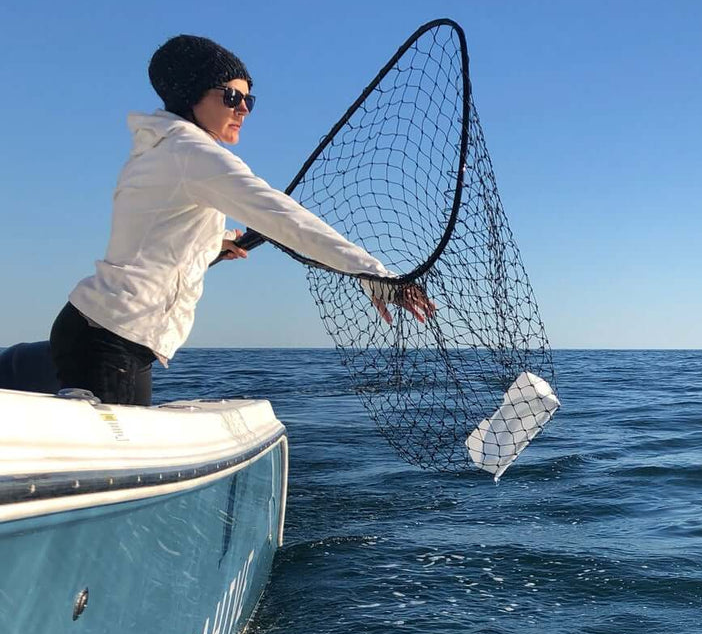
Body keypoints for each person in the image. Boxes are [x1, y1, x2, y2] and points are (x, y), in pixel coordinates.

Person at [49, 34, 433, 406]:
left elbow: (155, 229)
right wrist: (376, 275)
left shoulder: (162, 149)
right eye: (231, 96)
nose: (243, 109)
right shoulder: (192, 153)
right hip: (110, 341)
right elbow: (285, 217)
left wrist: (212, 242)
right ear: (191, 96)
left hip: (102, 333)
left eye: (249, 98)